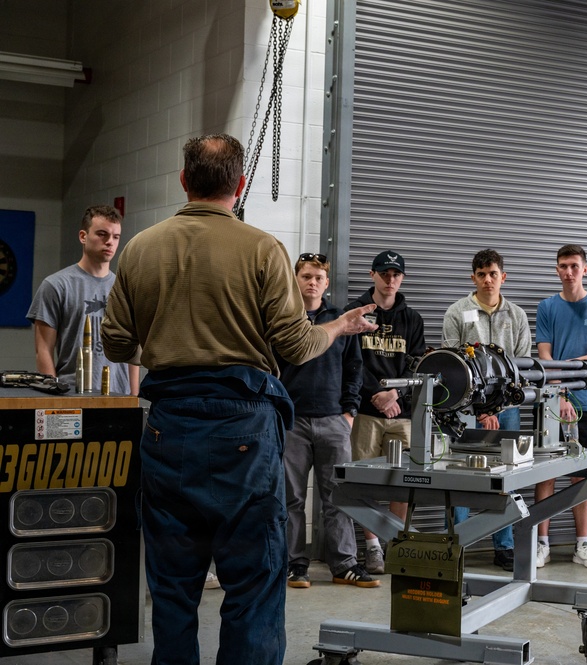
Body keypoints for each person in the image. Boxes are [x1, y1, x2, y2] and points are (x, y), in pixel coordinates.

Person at [101, 134, 377, 665]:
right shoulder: (261, 248)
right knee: (252, 584)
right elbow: (297, 344)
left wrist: (166, 339)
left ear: (183, 181)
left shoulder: (140, 247)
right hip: (244, 430)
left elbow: (115, 343)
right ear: (241, 184)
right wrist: (338, 327)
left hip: (169, 428)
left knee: (174, 588)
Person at [280, 252, 378, 590]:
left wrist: (349, 412)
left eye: (318, 278)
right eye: (306, 276)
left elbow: (355, 369)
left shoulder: (342, 320)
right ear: (295, 278)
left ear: (326, 282)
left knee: (338, 496)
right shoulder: (283, 317)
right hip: (291, 422)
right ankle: (295, 565)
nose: (312, 282)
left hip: (334, 421)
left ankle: (344, 564)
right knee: (291, 498)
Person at [442, 248, 532, 571]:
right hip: (466, 410)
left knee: (506, 476)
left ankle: (504, 546)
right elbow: (454, 366)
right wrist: (481, 410)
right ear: (473, 278)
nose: (487, 280)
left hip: (507, 409)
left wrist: (498, 405)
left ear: (503, 277)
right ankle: (454, 545)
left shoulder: (517, 316)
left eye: (493, 273)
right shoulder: (457, 312)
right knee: (460, 476)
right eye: (481, 274)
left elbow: (519, 369)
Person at [345, 250, 426, 575]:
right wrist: (377, 392)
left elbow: (417, 364)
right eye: (384, 273)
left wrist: (397, 391)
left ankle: (399, 542)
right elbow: (352, 360)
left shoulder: (413, 319)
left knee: (403, 481)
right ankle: (373, 547)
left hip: (402, 413)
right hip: (366, 412)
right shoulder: (355, 311)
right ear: (372, 275)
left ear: (402, 278)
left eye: (396, 274)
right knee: (366, 481)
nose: (390, 279)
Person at [534, 244, 587, 570]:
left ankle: (582, 544)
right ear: (556, 270)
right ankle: (542, 543)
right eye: (563, 266)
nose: (569, 272)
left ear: (585, 269)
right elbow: (544, 358)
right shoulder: (547, 307)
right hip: (551, 401)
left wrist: (564, 368)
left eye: (574, 266)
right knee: (545, 474)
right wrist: (562, 393)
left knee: (582, 475)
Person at [27, 205, 139, 395]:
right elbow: (43, 350)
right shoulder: (56, 285)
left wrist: (134, 397)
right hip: (71, 393)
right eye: (102, 234)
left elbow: (132, 349)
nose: (110, 242)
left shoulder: (126, 287)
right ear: (83, 236)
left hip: (119, 396)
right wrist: (54, 396)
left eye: (116, 236)